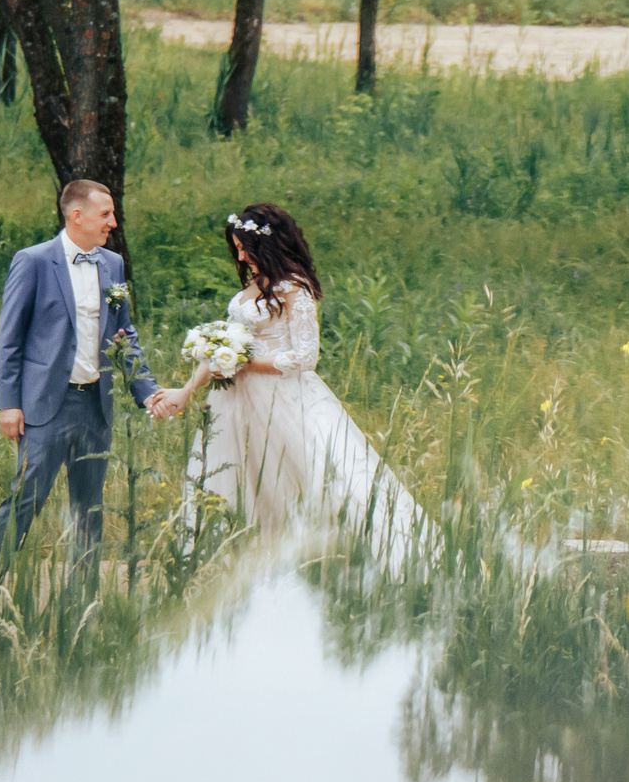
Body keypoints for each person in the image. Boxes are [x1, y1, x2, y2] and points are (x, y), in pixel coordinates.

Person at [149, 202, 430, 568]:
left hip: (282, 399)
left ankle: (344, 555)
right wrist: (186, 390)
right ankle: (249, 561)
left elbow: (304, 357)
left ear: (267, 244)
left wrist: (246, 363)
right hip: (234, 402)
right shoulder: (252, 286)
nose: (240, 255)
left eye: (243, 247)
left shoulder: (294, 288)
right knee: (238, 477)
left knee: (309, 475)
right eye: (236, 247)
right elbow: (224, 347)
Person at [0, 179, 162, 599]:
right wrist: (8, 404)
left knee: (88, 509)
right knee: (25, 503)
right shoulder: (34, 261)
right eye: (105, 214)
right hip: (45, 406)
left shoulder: (112, 264)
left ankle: (81, 606)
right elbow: (10, 338)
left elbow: (123, 334)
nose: (112, 223)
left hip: (95, 405)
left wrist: (146, 390)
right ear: (76, 215)